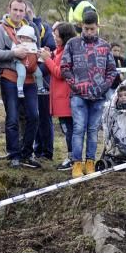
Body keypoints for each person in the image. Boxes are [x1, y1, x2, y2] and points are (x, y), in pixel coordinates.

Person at [60, 11, 118, 178]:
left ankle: (90, 162)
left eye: (92, 29)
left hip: (98, 96)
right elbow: (65, 67)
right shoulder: (72, 44)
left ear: (97, 27)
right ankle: (77, 163)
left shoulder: (105, 46)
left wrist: (104, 87)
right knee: (78, 129)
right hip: (78, 95)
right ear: (81, 27)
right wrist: (76, 86)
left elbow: (112, 70)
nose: (89, 32)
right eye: (86, 29)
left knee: (93, 130)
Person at [0, 0, 41, 169]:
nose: (18, 14)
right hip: (9, 78)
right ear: (9, 10)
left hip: (30, 79)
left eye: (21, 10)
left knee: (34, 116)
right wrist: (13, 53)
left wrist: (41, 55)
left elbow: (36, 49)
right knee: (12, 117)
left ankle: (27, 153)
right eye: (15, 10)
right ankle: (14, 154)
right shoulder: (1, 29)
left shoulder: (31, 27)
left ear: (26, 11)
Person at [40, 22, 77, 171]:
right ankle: (72, 156)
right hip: (60, 98)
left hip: (65, 99)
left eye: (56, 36)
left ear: (64, 36)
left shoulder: (68, 52)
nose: (54, 38)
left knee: (69, 129)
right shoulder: (61, 51)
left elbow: (59, 73)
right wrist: (51, 55)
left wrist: (47, 59)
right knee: (67, 129)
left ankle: (72, 158)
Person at [27, 2, 56, 162]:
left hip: (42, 79)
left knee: (44, 116)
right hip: (26, 78)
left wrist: (39, 71)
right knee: (33, 115)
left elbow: (50, 52)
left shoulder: (44, 28)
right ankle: (35, 149)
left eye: (27, 11)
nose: (24, 14)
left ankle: (46, 151)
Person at [13, 25, 44, 98]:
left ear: (32, 39)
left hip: (32, 63)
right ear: (20, 37)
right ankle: (20, 89)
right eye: (23, 37)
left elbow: (36, 55)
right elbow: (13, 52)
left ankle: (40, 88)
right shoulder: (17, 44)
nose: (25, 39)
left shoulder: (34, 45)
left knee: (39, 74)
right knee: (22, 75)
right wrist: (16, 51)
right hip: (21, 63)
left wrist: (39, 55)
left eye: (27, 38)